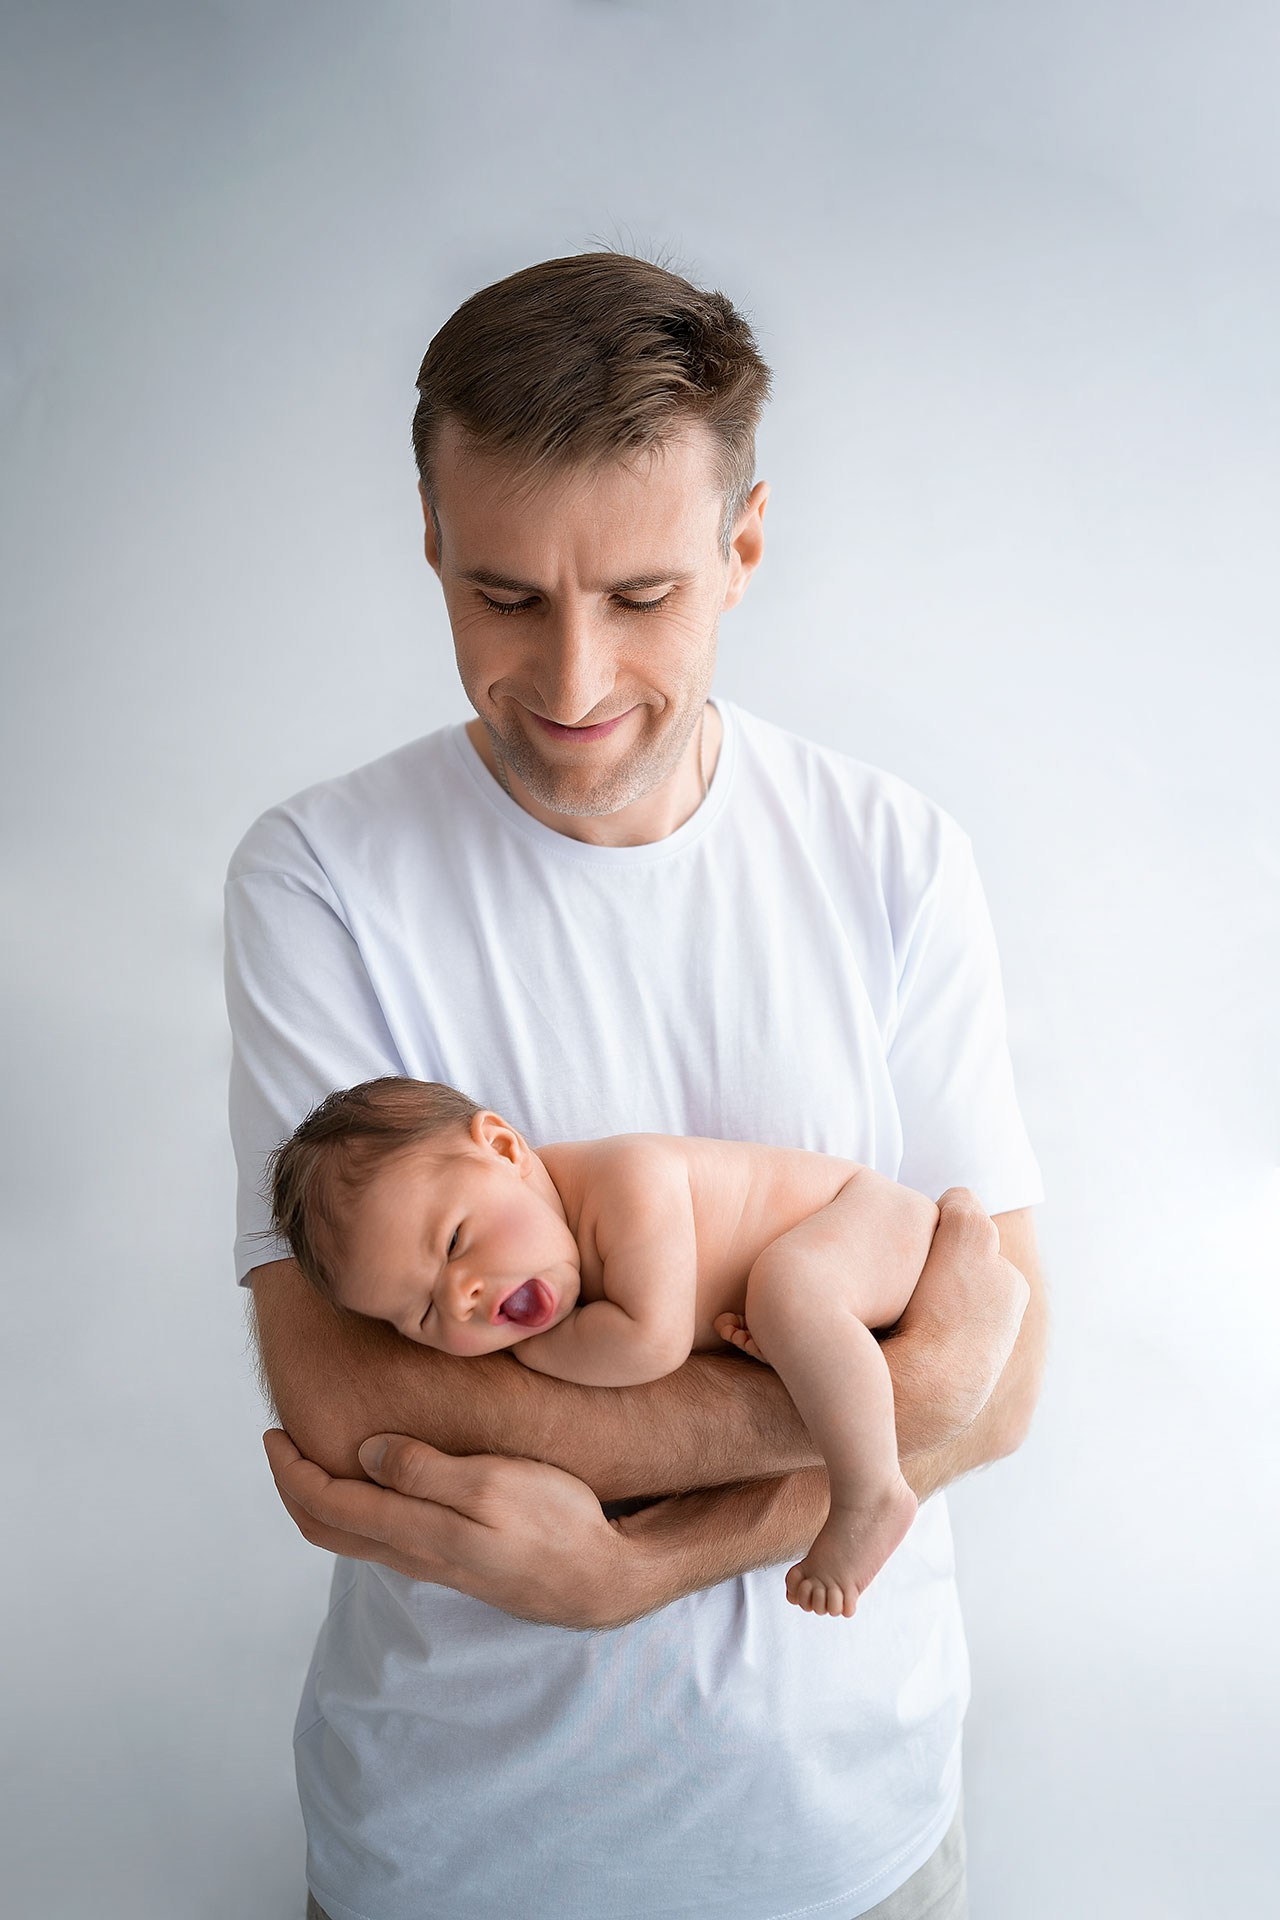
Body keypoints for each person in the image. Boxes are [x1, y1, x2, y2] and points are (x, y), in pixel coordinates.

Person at [225, 249, 1047, 1920]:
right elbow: (348, 1396)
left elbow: (1008, 1378)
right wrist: (885, 1393)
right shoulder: (320, 875)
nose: (577, 683)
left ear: (744, 549)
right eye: (504, 597)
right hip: (458, 1856)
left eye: (645, 598)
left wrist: (636, 1565)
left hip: (849, 1845)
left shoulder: (892, 859)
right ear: (435, 552)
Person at [268, 1076, 1030, 1619]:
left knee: (789, 1289)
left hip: (868, 1221)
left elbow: (654, 1340)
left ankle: (869, 1493)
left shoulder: (622, 1179)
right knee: (782, 1301)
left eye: (458, 1241)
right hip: (848, 1279)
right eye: (424, 1314)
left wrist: (538, 1355)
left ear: (504, 1148)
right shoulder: (548, 1238)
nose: (464, 1296)